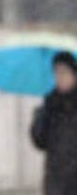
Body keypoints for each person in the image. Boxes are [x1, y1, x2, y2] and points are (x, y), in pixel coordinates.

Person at [31, 51, 77, 195]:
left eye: (64, 72)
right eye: (56, 72)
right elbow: (39, 141)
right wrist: (40, 116)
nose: (59, 77)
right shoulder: (50, 104)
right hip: (55, 182)